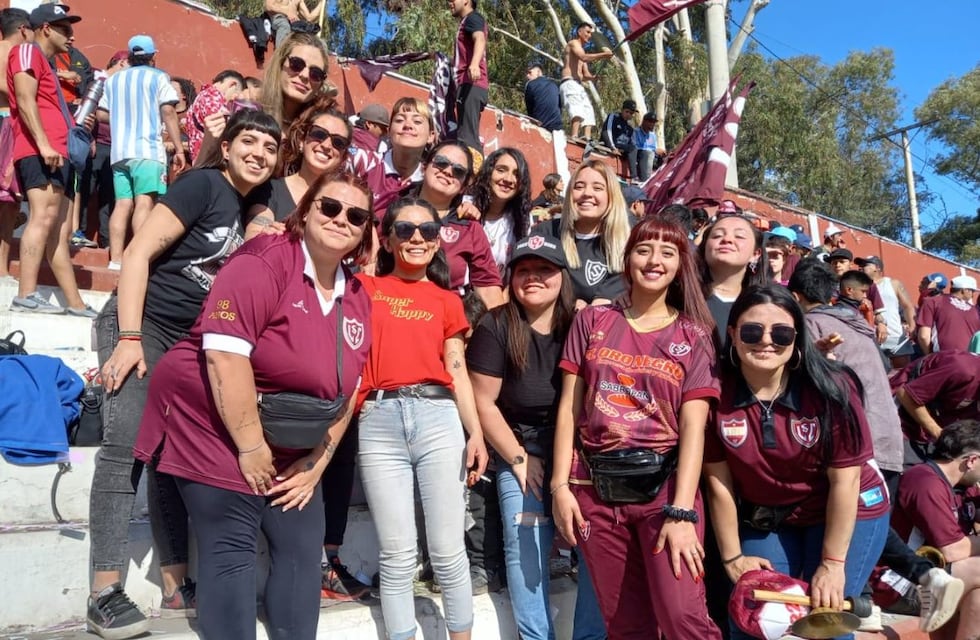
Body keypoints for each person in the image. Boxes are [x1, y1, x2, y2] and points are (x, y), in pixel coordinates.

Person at [133, 170, 372, 640]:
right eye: (329, 207)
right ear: (304, 213)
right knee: (232, 549)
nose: (341, 219)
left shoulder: (359, 296)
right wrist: (248, 446)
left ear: (365, 232)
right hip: (211, 423)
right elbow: (224, 355)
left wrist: (317, 462)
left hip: (290, 437)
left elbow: (351, 388)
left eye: (357, 215)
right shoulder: (263, 261)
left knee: (304, 550)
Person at [87, 110, 281, 640]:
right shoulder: (203, 185)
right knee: (126, 444)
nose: (258, 153)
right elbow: (138, 252)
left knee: (174, 457)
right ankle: (104, 592)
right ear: (228, 145)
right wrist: (128, 338)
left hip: (192, 343)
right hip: (141, 321)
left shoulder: (253, 209)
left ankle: (176, 584)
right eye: (249, 141)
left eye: (269, 146)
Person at [551, 216, 723, 639]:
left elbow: (694, 428)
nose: (654, 260)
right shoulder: (593, 322)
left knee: (683, 618)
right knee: (625, 627)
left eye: (668, 252)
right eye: (644, 250)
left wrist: (683, 512)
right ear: (627, 259)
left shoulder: (695, 334)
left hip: (665, 493)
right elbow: (568, 411)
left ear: (681, 264)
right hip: (596, 490)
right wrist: (559, 487)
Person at [703, 284, 890, 640]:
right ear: (732, 334)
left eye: (782, 333)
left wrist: (833, 565)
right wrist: (731, 558)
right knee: (753, 614)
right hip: (772, 514)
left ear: (797, 339)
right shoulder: (715, 393)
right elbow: (718, 483)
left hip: (849, 506)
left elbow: (845, 482)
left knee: (823, 616)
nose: (765, 341)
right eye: (752, 331)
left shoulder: (831, 388)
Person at [356, 196, 489, 640]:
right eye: (405, 230)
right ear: (388, 238)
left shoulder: (447, 299)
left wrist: (476, 434)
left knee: (448, 550)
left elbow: (457, 369)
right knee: (396, 554)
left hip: (437, 416)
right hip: (378, 416)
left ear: (437, 243)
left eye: (428, 231)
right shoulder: (363, 289)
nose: (417, 238)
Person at [468, 234, 604, 640]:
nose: (533, 278)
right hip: (519, 449)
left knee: (597, 546)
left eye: (544, 269)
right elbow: (483, 403)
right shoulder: (495, 325)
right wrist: (519, 458)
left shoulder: (582, 323)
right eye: (524, 270)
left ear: (562, 276)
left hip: (579, 455)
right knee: (524, 542)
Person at [6, 3, 96, 316]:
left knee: (58, 231)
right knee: (42, 218)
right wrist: (44, 144)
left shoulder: (43, 62)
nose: (71, 37)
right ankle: (26, 294)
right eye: (65, 29)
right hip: (41, 151)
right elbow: (24, 98)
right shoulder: (28, 53)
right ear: (46, 28)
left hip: (58, 153)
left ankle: (75, 304)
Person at [788, 260, 904, 485]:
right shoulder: (855, 324)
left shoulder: (812, 325)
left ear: (795, 297)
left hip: (857, 448)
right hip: (887, 439)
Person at [98, 34, 186, 270]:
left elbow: (101, 114)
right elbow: (168, 111)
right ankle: (140, 258)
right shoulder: (159, 77)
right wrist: (179, 148)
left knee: (122, 204)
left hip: (120, 152)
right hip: (147, 151)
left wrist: (123, 114)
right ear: (153, 56)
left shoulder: (114, 80)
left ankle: (115, 260)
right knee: (145, 203)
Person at [891, 420, 980, 637]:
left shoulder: (962, 488)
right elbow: (952, 551)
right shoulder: (924, 481)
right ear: (972, 461)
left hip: (937, 578)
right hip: (900, 582)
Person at [413, 140, 503, 308]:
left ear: (463, 186)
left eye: (458, 171)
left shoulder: (469, 227)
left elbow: (488, 288)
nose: (448, 171)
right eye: (441, 162)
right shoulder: (393, 207)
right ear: (424, 167)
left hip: (447, 322)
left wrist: (499, 333)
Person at [535, 159, 631, 308]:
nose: (586, 193)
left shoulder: (630, 240)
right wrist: (568, 301)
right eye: (579, 187)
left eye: (598, 188)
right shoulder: (546, 233)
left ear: (611, 196)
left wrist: (607, 298)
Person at [245, 104, 351, 238]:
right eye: (318, 134)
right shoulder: (270, 190)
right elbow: (253, 235)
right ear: (301, 141)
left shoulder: (347, 203)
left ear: (343, 157)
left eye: (338, 142)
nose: (326, 145)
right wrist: (263, 234)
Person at [351, 96, 436, 217]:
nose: (407, 125)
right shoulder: (363, 162)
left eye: (417, 121)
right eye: (399, 120)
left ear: (431, 136)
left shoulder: (432, 180)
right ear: (389, 131)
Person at [891, 350, 980, 463]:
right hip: (900, 419)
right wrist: (939, 434)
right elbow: (905, 395)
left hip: (932, 428)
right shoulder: (963, 369)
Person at [0, 7, 33, 280]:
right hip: (5, 126)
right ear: (23, 29)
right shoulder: (12, 53)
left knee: (9, 201)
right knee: (8, 201)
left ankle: (1, 267)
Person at [697, 214, 768, 337]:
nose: (727, 239)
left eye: (739, 236)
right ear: (704, 248)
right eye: (717, 235)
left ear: (756, 254)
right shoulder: (681, 294)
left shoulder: (766, 306)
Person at [466, 147, 531, 272]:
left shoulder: (522, 220)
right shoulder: (465, 205)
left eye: (516, 175)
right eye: (501, 170)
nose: (508, 179)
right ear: (489, 172)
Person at [855, 255, 916, 368]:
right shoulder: (857, 287)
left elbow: (907, 306)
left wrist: (912, 327)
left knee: (902, 374)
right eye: (860, 266)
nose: (861, 268)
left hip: (895, 337)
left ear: (877, 267)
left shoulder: (893, 283)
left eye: (865, 265)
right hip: (870, 338)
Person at [560, 23, 612, 140]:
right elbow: (583, 57)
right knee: (577, 109)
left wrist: (594, 78)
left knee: (588, 109)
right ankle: (574, 135)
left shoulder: (582, 50)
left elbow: (585, 75)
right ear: (579, 32)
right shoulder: (574, 44)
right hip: (569, 83)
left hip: (578, 84)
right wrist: (604, 54)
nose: (589, 35)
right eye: (587, 32)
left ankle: (587, 137)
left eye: (590, 33)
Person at [449, 0, 487, 153]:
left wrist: (474, 64)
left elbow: (480, 38)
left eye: (453, 0)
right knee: (464, 135)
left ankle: (474, 173)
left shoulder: (473, 18)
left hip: (472, 84)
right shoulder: (466, 21)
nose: (449, 3)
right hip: (467, 85)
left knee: (467, 140)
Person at [183, 69, 245, 162]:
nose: (232, 100)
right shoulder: (212, 97)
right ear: (233, 85)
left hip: (201, 158)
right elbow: (223, 131)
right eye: (235, 96)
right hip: (209, 160)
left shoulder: (203, 96)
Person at [916, 275, 980, 354]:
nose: (973, 295)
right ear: (964, 290)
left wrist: (929, 357)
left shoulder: (933, 302)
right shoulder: (975, 310)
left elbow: (924, 336)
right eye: (972, 291)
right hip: (971, 361)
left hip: (943, 359)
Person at [600, 100, 635, 177]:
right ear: (622, 110)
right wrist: (612, 147)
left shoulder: (630, 128)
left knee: (635, 148)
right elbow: (606, 131)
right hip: (611, 145)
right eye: (627, 112)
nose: (628, 115)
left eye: (631, 113)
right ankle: (634, 176)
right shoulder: (613, 117)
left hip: (622, 150)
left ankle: (633, 175)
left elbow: (630, 143)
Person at [524, 64, 561, 133]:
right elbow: (559, 106)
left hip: (540, 124)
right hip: (557, 126)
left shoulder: (530, 84)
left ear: (538, 72)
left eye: (530, 72)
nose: (527, 76)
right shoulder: (554, 85)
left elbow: (529, 108)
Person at [632, 112, 663, 182]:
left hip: (651, 155)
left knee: (664, 157)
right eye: (650, 122)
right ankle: (646, 180)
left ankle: (659, 180)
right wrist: (653, 151)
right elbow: (634, 146)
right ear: (644, 121)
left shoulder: (652, 135)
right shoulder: (636, 132)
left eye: (653, 123)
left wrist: (658, 151)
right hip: (640, 154)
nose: (652, 124)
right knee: (647, 153)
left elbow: (654, 148)